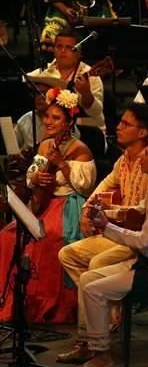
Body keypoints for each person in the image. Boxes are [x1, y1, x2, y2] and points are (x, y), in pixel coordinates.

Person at [56, 133, 148, 367]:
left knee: (94, 287)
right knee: (88, 279)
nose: (141, 156)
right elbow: (137, 210)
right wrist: (108, 214)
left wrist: (107, 227)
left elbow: (146, 242)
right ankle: (92, 345)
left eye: (147, 153)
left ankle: (101, 355)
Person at [0, 89, 96, 324]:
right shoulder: (45, 145)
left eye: (56, 118)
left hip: (68, 206)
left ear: (69, 121)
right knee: (7, 236)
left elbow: (84, 187)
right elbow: (32, 175)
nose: (48, 121)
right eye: (47, 116)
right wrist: (35, 180)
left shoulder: (81, 150)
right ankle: (14, 301)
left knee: (47, 238)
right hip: (43, 203)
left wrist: (62, 164)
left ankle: (48, 305)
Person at [58, 103, 148, 326]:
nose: (118, 127)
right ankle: (108, 313)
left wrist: (108, 215)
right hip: (119, 235)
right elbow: (102, 187)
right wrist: (86, 210)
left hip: (137, 240)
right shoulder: (122, 161)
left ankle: (93, 332)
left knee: (97, 265)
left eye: (125, 124)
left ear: (142, 132)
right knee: (68, 254)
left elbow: (143, 211)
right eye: (120, 122)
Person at [27, 29, 106, 140]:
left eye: (69, 48)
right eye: (59, 46)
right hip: (52, 134)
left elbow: (96, 112)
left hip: (88, 134)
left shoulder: (91, 76)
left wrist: (86, 93)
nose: (63, 51)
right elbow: (24, 80)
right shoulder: (43, 72)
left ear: (79, 52)